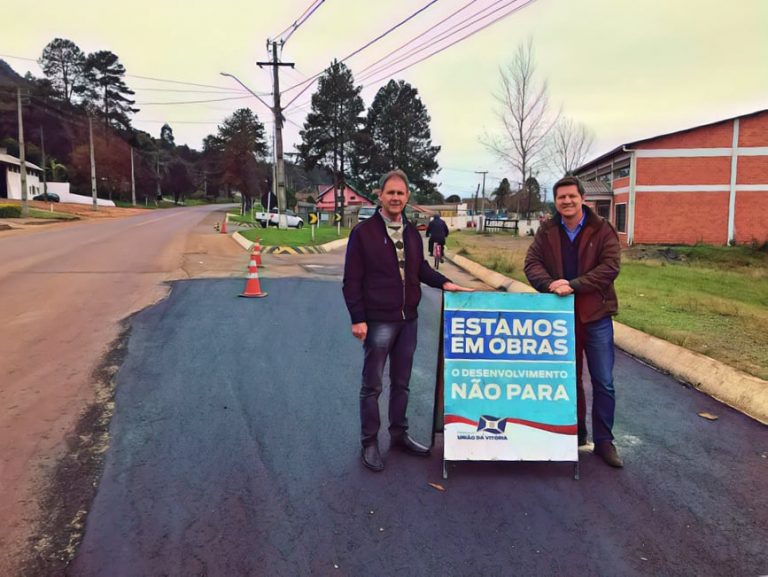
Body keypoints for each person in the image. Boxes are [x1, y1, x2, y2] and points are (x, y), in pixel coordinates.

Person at [343, 169, 473, 472]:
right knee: (372, 385)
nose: (396, 197)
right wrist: (358, 318)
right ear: (380, 195)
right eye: (391, 192)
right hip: (378, 321)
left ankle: (399, 434)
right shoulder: (363, 234)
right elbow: (351, 280)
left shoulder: (413, 233)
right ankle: (370, 442)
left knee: (402, 383)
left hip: (408, 321)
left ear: (407, 197)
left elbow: (421, 270)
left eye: (401, 193)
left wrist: (446, 283)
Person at [523, 175, 624, 468]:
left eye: (571, 196)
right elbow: (531, 264)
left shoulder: (602, 229)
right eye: (561, 198)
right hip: (561, 317)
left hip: (596, 315)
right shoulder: (547, 230)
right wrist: (551, 284)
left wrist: (574, 285)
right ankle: (575, 433)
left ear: (582, 198)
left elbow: (610, 267)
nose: (566, 201)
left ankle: (605, 442)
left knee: (603, 381)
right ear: (555, 202)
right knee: (568, 379)